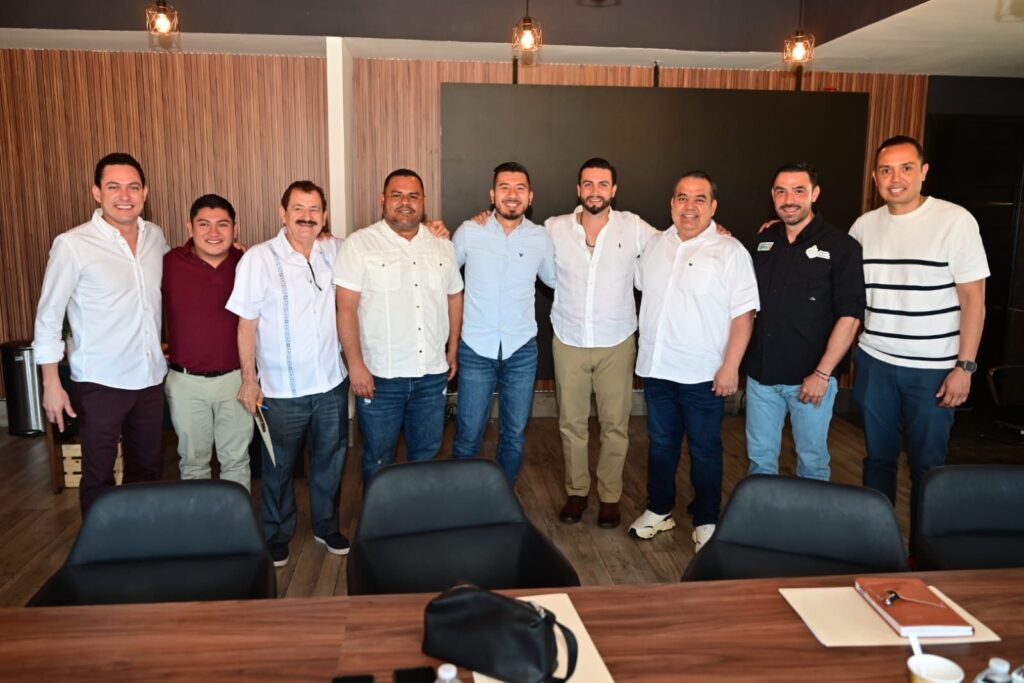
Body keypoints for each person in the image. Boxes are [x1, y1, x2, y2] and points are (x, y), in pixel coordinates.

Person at [851, 135, 988, 542]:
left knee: (928, 467)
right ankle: (876, 545)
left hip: (933, 370)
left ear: (923, 172)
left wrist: (965, 367)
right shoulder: (864, 226)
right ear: (875, 177)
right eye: (886, 170)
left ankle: (924, 551)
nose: (896, 178)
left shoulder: (955, 221)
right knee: (877, 460)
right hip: (875, 362)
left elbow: (974, 301)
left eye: (906, 168)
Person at [629, 171, 759, 552]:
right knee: (661, 444)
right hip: (657, 369)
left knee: (705, 449)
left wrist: (731, 366)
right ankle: (659, 509)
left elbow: (744, 315)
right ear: (672, 204)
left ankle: (706, 519)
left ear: (713, 206)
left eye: (700, 199)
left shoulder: (730, 251)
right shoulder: (654, 245)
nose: (690, 207)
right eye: (682, 198)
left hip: (704, 374)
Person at [33, 152, 168, 516]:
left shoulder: (155, 237)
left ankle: (140, 539)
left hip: (150, 378)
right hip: (100, 382)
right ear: (97, 192)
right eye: (113, 187)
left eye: (133, 187)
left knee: (147, 470)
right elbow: (48, 318)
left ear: (145, 192)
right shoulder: (73, 245)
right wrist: (51, 383)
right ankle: (101, 545)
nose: (124, 196)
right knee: (98, 475)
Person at [226, 180, 349, 567]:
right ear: (283, 213)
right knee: (278, 467)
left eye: (314, 210)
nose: (306, 216)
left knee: (330, 460)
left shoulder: (337, 250)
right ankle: (277, 533)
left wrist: (433, 228)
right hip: (281, 390)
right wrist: (249, 379)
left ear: (324, 216)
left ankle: (326, 525)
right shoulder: (258, 259)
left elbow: (379, 248)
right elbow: (246, 324)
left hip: (330, 383)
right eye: (298, 208)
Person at [546, 158, 658, 529]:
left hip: (616, 341)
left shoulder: (634, 226)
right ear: (579, 189)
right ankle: (577, 492)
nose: (595, 191)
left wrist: (714, 229)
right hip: (569, 339)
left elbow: (674, 243)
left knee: (615, 425)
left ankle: (610, 497)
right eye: (588, 184)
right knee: (571, 423)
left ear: (614, 190)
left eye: (603, 184)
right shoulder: (554, 228)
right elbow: (517, 238)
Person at [335, 169, 464, 487]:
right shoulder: (360, 244)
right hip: (380, 378)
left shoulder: (442, 245)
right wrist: (355, 365)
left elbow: (454, 296)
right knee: (378, 460)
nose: (405, 202)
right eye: (397, 195)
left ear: (423, 201)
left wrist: (452, 349)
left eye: (413, 196)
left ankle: (418, 516)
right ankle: (379, 518)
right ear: (383, 199)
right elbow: (346, 308)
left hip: (431, 375)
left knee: (426, 456)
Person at [743, 163, 864, 480]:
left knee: (812, 462)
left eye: (799, 191)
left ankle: (811, 516)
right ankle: (763, 512)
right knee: (760, 461)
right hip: (761, 378)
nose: (789, 200)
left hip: (810, 380)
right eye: (781, 191)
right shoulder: (762, 241)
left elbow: (850, 317)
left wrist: (822, 374)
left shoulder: (842, 247)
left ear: (815, 193)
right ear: (773, 196)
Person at [450, 162, 555, 483]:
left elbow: (557, 281)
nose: (512, 194)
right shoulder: (469, 232)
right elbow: (443, 277)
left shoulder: (541, 238)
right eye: (505, 187)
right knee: (468, 433)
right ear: (492, 194)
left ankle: (502, 497)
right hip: (475, 349)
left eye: (520, 188)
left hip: (521, 351)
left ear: (530, 196)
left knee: (514, 434)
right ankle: (462, 497)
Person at [163, 194, 253, 491]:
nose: (213, 232)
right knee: (193, 463)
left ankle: (236, 520)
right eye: (204, 224)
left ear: (235, 229)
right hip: (185, 383)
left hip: (237, 380)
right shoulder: (169, 263)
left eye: (222, 224)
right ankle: (198, 521)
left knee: (237, 461)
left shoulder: (249, 263)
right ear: (190, 227)